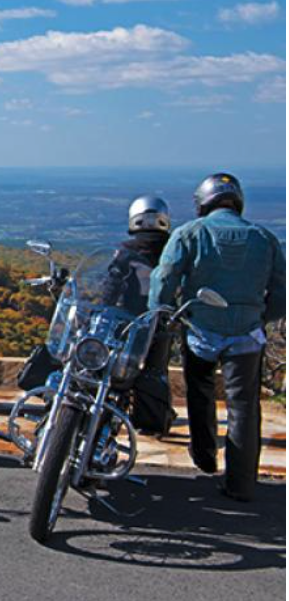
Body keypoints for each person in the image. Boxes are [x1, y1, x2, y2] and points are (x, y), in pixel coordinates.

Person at [150, 173, 285, 502]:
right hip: (247, 335)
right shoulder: (264, 238)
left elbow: (164, 279)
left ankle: (205, 458)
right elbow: (281, 291)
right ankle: (240, 485)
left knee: (200, 394)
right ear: (236, 201)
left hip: (200, 331)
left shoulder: (190, 233)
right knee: (244, 408)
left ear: (203, 203)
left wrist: (162, 315)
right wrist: (260, 317)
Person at [113, 195, 176, 435]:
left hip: (127, 319)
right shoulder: (172, 249)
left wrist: (103, 308)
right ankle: (152, 419)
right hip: (161, 320)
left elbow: (112, 283)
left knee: (118, 365)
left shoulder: (125, 250)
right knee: (155, 371)